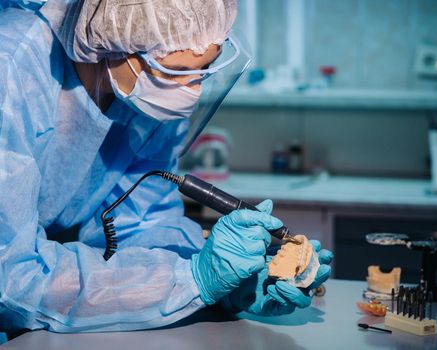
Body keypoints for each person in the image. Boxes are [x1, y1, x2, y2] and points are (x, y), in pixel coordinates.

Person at [0, 0, 333, 338]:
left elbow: (141, 223)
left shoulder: (148, 94)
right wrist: (192, 281)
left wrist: (227, 286)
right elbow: (11, 278)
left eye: (205, 68)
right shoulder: (10, 70)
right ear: (118, 43)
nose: (192, 92)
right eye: (177, 71)